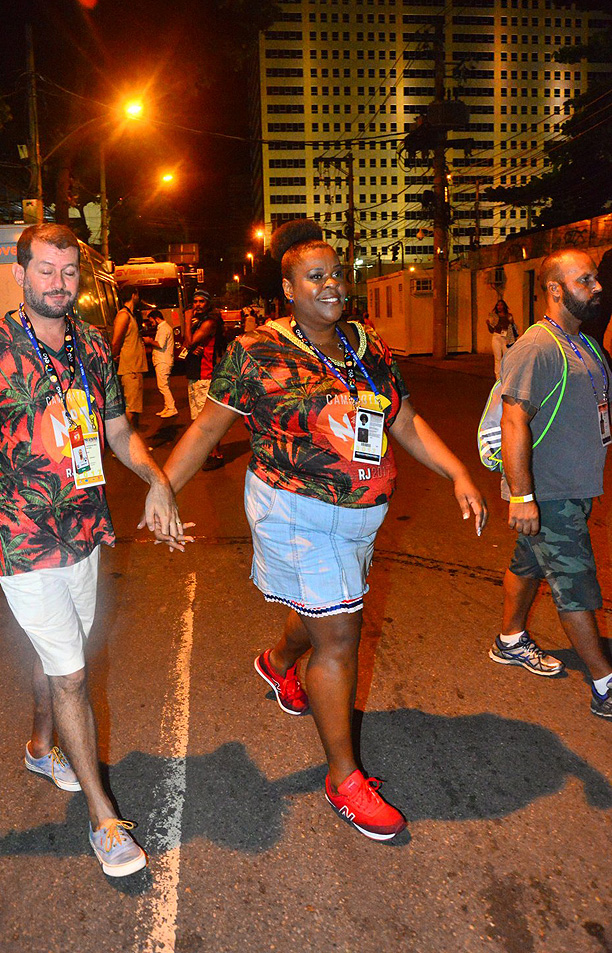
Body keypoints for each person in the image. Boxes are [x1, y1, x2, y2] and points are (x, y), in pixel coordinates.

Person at [163, 219, 487, 841]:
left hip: (360, 514)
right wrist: (161, 488)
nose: (333, 284)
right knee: (340, 632)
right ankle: (344, 779)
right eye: (316, 276)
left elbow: (405, 421)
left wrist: (456, 473)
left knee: (322, 609)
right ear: (288, 288)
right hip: (296, 510)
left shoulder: (366, 345)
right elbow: (207, 429)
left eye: (337, 273)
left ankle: (281, 660)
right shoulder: (257, 350)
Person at [0, 223, 191, 877]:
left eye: (68, 273)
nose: (59, 283)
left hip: (85, 530)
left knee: (62, 652)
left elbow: (119, 431)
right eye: (46, 270)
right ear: (20, 274)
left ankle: (42, 744)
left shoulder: (93, 346)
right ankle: (104, 819)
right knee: (71, 674)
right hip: (21, 537)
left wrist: (158, 481)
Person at [489, 248, 612, 721]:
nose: (596, 287)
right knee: (574, 581)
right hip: (549, 492)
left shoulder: (584, 343)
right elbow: (514, 420)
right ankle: (604, 682)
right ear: (556, 289)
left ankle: (510, 639)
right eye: (586, 280)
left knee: (529, 563)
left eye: (596, 278)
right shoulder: (539, 346)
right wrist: (522, 496)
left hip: (573, 488)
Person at [183, 288, 225, 470]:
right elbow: (187, 344)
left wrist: (185, 320)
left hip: (205, 374)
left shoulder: (209, 321)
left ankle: (216, 454)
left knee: (205, 419)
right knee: (198, 418)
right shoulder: (198, 321)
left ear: (208, 303)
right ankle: (209, 452)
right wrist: (191, 345)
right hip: (195, 374)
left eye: (202, 301)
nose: (198, 305)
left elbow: (190, 341)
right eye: (195, 301)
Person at [111, 285, 148, 427]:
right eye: (137, 294)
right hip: (130, 368)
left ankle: (134, 444)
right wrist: (114, 357)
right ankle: (125, 445)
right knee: (131, 410)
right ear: (134, 295)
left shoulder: (130, 315)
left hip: (135, 367)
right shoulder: (123, 316)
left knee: (135, 409)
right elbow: (116, 342)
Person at [142, 308, 177, 417]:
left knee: (162, 386)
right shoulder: (165, 328)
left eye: (152, 321)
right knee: (164, 384)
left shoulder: (163, 329)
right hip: (164, 360)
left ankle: (171, 407)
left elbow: (160, 344)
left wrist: (149, 341)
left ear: (157, 319)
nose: (152, 324)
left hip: (163, 360)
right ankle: (167, 406)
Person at [486, 299, 519, 378]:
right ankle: (498, 377)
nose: (499, 307)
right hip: (496, 336)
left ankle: (506, 375)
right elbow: (491, 330)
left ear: (504, 306)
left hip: (506, 338)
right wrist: (488, 324)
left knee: (506, 357)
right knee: (497, 358)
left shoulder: (509, 316)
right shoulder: (494, 316)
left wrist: (513, 339)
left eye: (501, 305)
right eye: (498, 305)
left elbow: (512, 327)